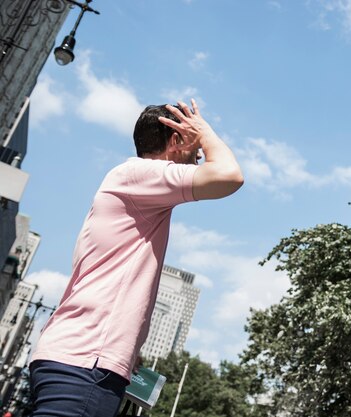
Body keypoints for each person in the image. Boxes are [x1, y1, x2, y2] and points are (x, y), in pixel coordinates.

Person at [27, 99, 244, 417]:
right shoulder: (141, 174)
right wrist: (205, 131)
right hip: (86, 361)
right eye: (195, 149)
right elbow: (229, 175)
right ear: (175, 141)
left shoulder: (133, 183)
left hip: (78, 358)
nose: (199, 158)